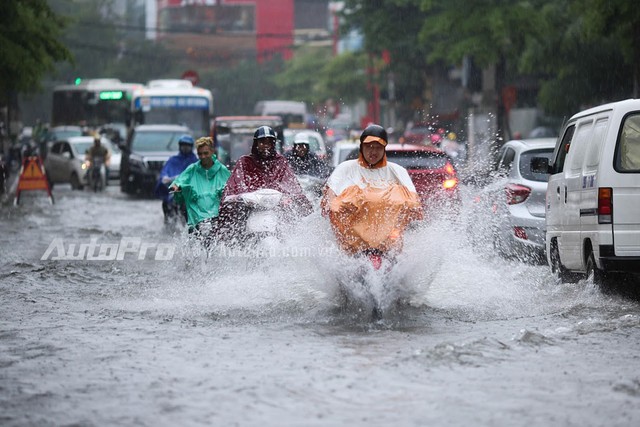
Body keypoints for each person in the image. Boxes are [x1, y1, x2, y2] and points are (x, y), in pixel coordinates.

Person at [321, 124, 423, 259]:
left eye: (378, 147)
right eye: (368, 147)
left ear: (384, 148)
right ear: (361, 147)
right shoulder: (346, 168)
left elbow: (414, 200)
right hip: (353, 244)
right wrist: (333, 205)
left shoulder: (397, 171)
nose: (373, 152)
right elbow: (330, 194)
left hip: (389, 242)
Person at [217, 125, 313, 239]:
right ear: (256, 144)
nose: (266, 146)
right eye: (262, 142)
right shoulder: (245, 162)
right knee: (236, 229)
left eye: (269, 142)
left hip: (275, 209)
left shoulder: (280, 162)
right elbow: (235, 185)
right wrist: (238, 197)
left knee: (289, 228)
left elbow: (290, 184)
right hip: (249, 208)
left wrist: (293, 198)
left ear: (274, 144)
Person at [169, 137, 231, 241]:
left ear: (212, 152)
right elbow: (179, 181)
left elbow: (232, 187)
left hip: (216, 217)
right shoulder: (192, 169)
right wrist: (176, 187)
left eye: (206, 153)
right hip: (196, 218)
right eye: (200, 154)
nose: (203, 157)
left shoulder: (222, 170)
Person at [154, 134, 198, 225]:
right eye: (183, 145)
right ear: (180, 146)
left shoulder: (195, 161)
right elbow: (164, 173)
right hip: (173, 193)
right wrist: (165, 178)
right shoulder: (173, 160)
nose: (185, 148)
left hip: (188, 195)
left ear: (191, 147)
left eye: (187, 145)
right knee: (166, 205)